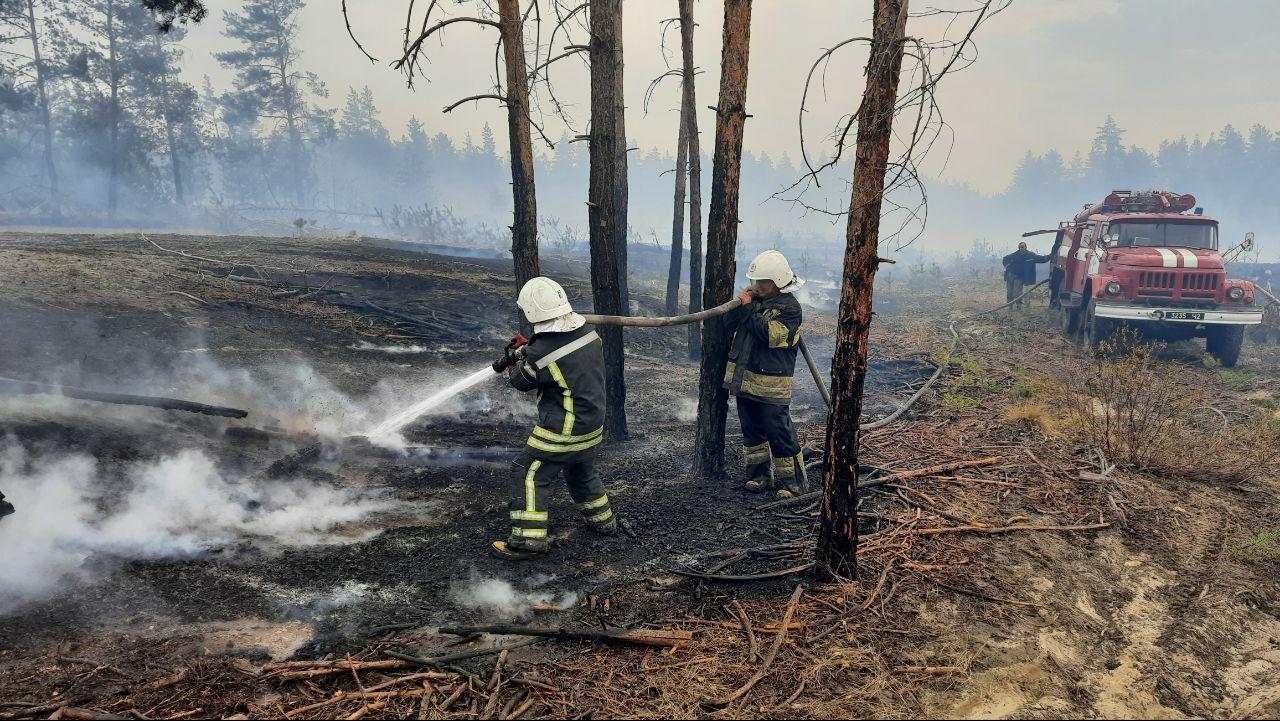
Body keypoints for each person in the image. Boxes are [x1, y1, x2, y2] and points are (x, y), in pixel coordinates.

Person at [492, 277, 615, 560]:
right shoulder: (588, 333)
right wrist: (530, 348)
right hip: (592, 424)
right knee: (580, 468)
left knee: (528, 472)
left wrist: (519, 360)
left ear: (532, 312)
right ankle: (603, 521)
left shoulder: (539, 355)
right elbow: (559, 350)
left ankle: (527, 540)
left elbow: (520, 382)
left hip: (563, 429)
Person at [723, 250, 808, 499]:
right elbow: (728, 325)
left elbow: (771, 335)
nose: (757, 286)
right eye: (755, 281)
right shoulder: (755, 302)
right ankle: (759, 476)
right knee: (752, 432)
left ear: (778, 281)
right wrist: (741, 305)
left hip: (772, 384)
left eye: (763, 282)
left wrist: (749, 310)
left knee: (778, 432)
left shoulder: (790, 308)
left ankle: (793, 483)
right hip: (745, 378)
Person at [1002, 242, 1051, 308]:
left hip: (1019, 277)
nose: (1021, 248)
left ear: (1026, 247)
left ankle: (1019, 306)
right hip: (1010, 275)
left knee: (1017, 293)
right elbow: (1005, 259)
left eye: (1022, 247)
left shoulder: (1030, 255)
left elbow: (1041, 259)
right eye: (1020, 247)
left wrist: (1050, 256)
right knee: (1009, 292)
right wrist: (1008, 267)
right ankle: (1010, 306)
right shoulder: (1014, 255)